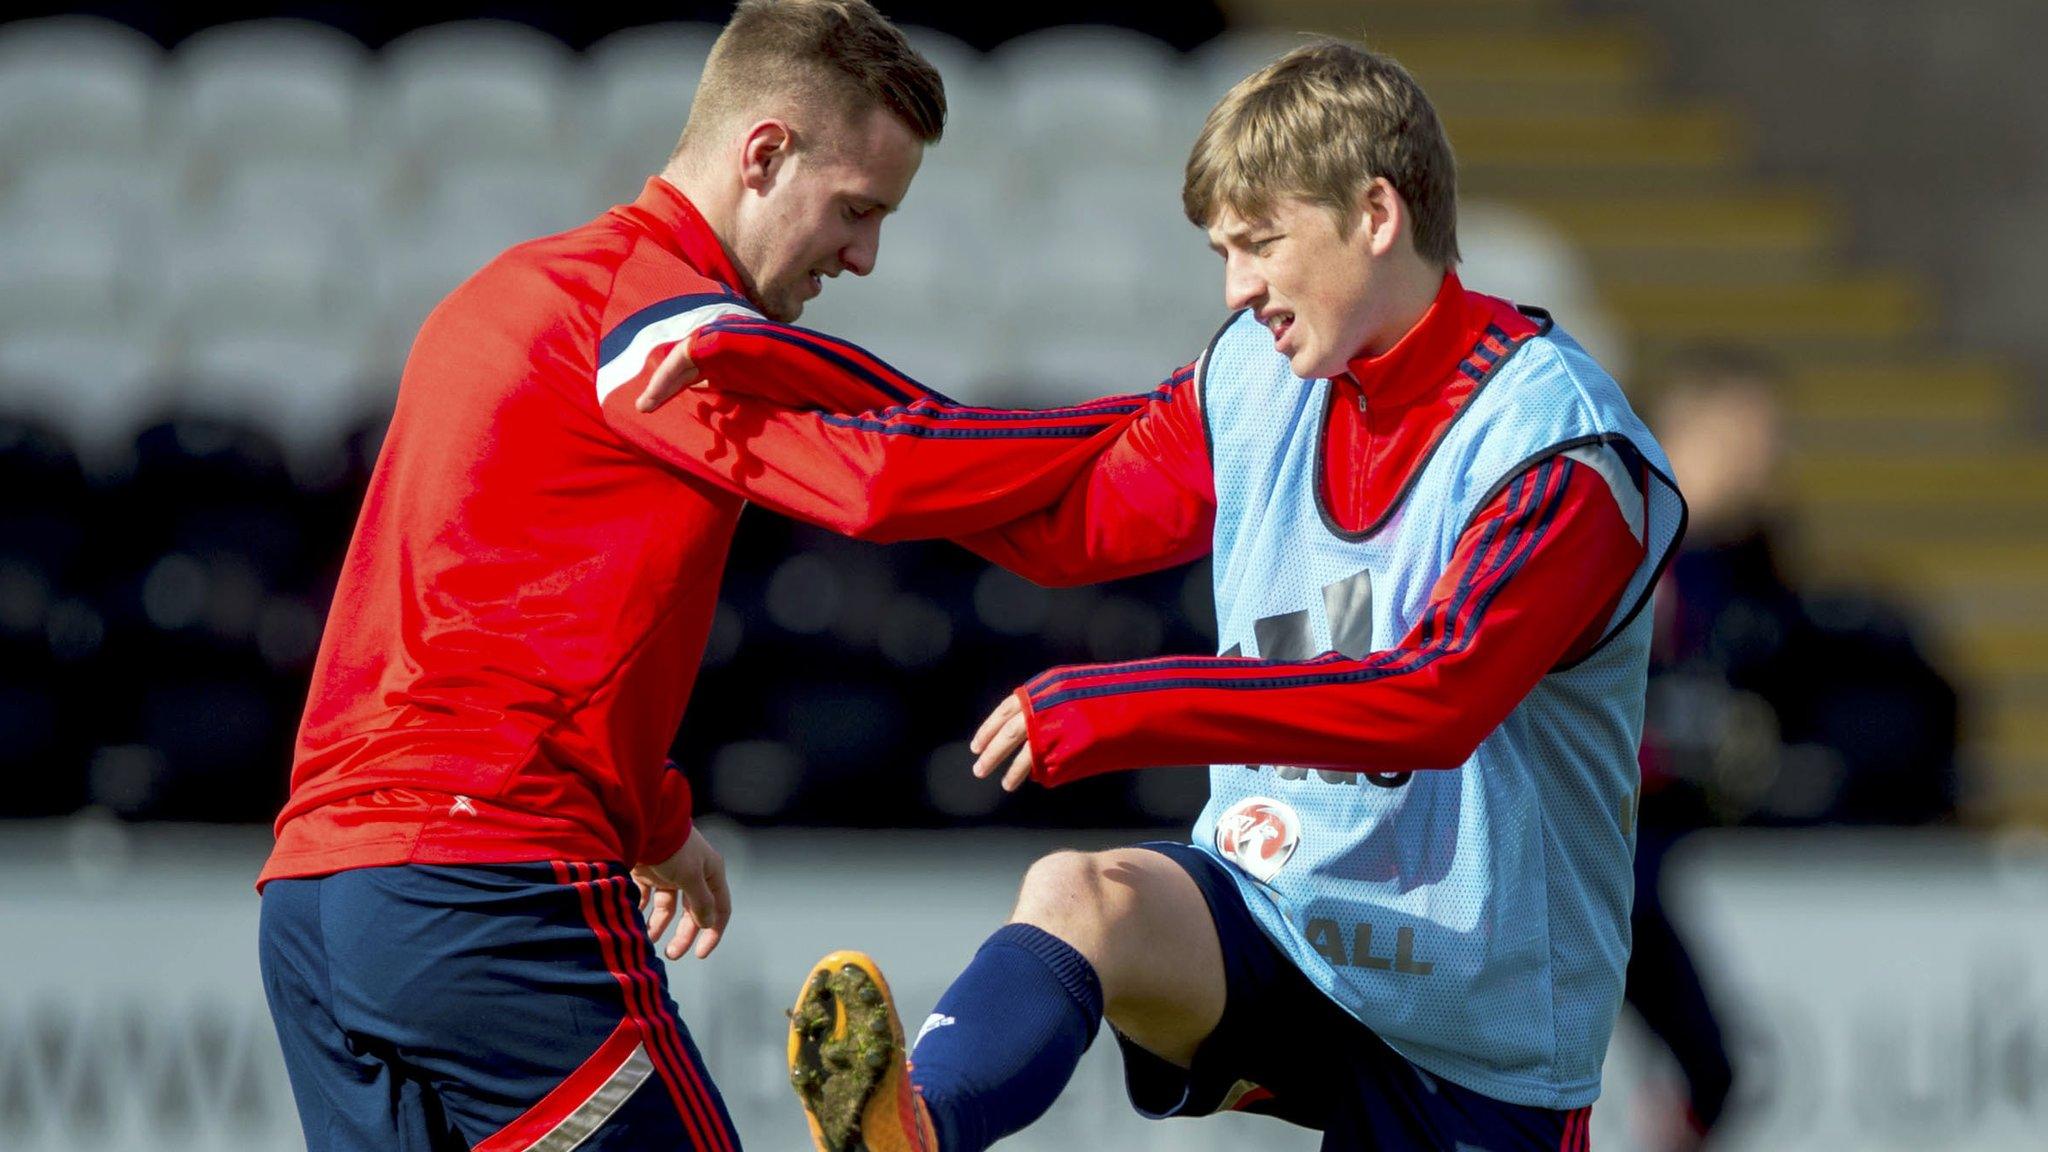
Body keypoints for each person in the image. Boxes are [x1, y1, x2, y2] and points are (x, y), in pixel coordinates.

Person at [658, 40, 1687, 1152]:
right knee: (1079, 894)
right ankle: (921, 1130)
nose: (1238, 288)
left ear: (1376, 213)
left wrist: (1130, 705)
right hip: (1285, 926)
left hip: (1476, 1034)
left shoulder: (1559, 449)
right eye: (1221, 251)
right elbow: (1067, 519)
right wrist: (781, 404)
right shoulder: (1257, 370)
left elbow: (1429, 700)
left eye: (1259, 244)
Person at [253, 3, 1158, 1149]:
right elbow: (879, 469)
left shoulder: (511, 290)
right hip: (482, 884)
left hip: (316, 898)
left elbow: (491, 626)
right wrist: (1179, 424)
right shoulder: (660, 316)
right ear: (765, 152)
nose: (863, 256)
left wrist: (653, 819)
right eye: (856, 210)